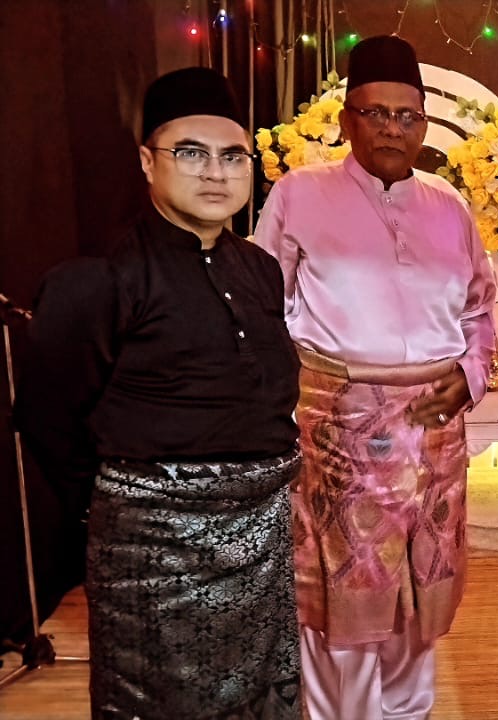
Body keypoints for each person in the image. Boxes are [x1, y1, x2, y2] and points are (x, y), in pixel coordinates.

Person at [16, 67, 302, 718]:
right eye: (191, 153)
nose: (216, 172)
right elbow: (47, 415)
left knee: (261, 698)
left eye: (233, 156)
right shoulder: (100, 276)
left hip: (261, 540)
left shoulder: (259, 269)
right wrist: (122, 509)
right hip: (153, 549)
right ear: (148, 162)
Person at [254, 35, 496, 719]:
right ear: (346, 120)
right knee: (343, 609)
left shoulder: (448, 204)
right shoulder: (300, 195)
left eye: (407, 115)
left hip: (435, 432)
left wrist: (472, 374)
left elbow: (479, 309)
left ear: (424, 124)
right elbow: (261, 308)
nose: (393, 128)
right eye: (377, 112)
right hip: (337, 431)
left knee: (418, 600)